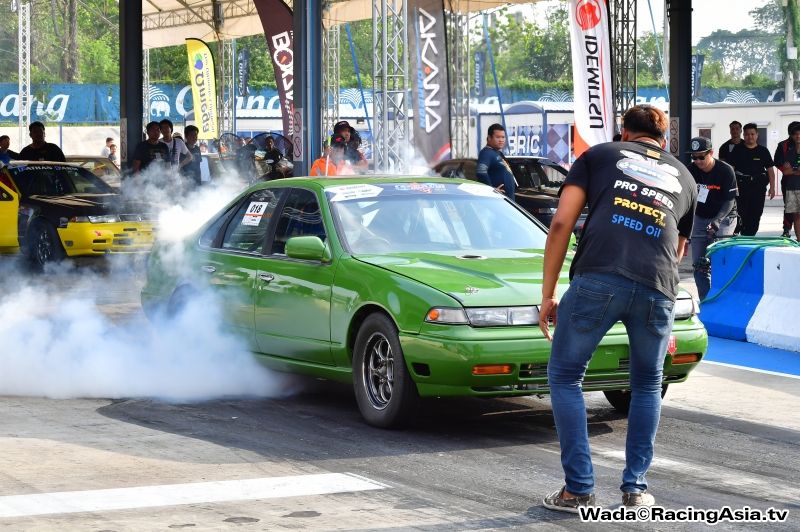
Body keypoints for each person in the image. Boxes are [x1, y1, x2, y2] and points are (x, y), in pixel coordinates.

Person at [539, 104, 697, 513]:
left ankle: (578, 489)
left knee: (565, 376)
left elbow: (560, 224)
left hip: (599, 277)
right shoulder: (685, 176)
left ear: (624, 133)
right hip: (659, 287)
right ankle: (636, 489)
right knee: (647, 384)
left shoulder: (599, 156)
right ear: (664, 141)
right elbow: (679, 248)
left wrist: (548, 294)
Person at [686, 137, 738, 300]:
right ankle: (706, 300)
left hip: (724, 216)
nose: (697, 161)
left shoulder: (725, 170)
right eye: (694, 157)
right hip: (701, 216)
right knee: (699, 264)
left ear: (711, 153)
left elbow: (730, 200)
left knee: (718, 259)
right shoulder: (690, 171)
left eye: (701, 157)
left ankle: (721, 298)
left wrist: (717, 221)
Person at [728, 123, 775, 236]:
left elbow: (770, 170)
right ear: (743, 135)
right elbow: (730, 170)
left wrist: (772, 188)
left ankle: (750, 236)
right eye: (747, 134)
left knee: (756, 213)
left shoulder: (763, 151)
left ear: (757, 135)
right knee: (741, 213)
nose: (750, 137)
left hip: (758, 187)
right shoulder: (737, 150)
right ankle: (738, 234)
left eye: (752, 134)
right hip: (742, 187)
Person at [774, 121, 800, 238]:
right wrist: (793, 171)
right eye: (795, 133)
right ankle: (787, 229)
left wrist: (793, 169)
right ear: (790, 133)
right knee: (791, 209)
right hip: (789, 182)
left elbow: (790, 167)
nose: (797, 136)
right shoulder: (783, 146)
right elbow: (780, 164)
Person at [476, 124, 515, 200]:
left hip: (506, 201)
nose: (501, 140)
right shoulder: (486, 152)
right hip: (497, 201)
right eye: (498, 137)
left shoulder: (497, 152)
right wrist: (490, 189)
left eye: (503, 137)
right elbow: (480, 171)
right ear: (489, 138)